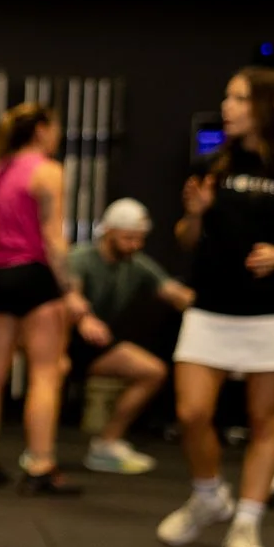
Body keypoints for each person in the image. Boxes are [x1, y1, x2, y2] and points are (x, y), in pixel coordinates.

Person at [160, 67, 274, 547]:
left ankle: (248, 523)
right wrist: (196, 213)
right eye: (227, 96)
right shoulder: (212, 163)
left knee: (265, 418)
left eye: (237, 98)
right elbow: (186, 240)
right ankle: (209, 495)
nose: (227, 106)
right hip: (212, 307)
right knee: (192, 412)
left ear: (266, 106)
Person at [0, 103, 85, 495]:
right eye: (55, 128)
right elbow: (53, 236)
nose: (58, 136)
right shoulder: (48, 170)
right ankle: (40, 465)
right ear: (40, 130)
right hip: (34, 275)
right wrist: (69, 290)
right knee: (45, 373)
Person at [67, 197, 195, 473]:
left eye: (140, 239)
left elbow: (173, 293)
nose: (135, 245)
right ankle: (38, 454)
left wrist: (214, 308)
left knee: (153, 371)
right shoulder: (80, 258)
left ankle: (106, 444)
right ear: (108, 231)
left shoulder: (136, 264)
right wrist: (84, 319)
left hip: (97, 346)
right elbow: (70, 294)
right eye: (128, 238)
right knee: (50, 375)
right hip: (62, 341)